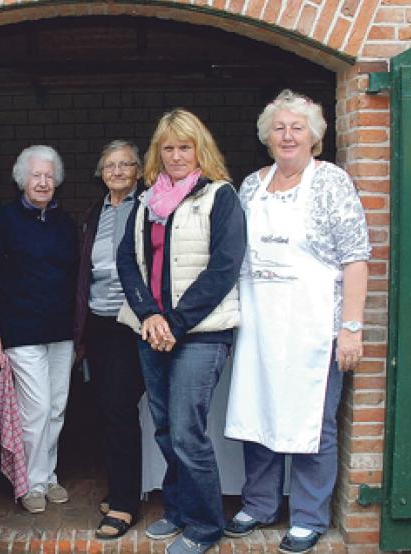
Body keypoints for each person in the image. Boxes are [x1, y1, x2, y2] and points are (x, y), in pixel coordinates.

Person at [224, 89, 371, 554]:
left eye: (297, 127)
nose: (287, 136)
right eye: (279, 128)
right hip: (261, 325)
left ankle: (308, 515)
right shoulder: (252, 186)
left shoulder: (331, 183)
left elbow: (355, 259)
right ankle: (260, 503)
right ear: (267, 138)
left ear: (315, 138)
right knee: (259, 410)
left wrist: (350, 327)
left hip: (314, 327)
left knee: (313, 421)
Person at [116, 109, 246, 554]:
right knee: (166, 428)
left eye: (184, 147)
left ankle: (206, 527)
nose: (175, 155)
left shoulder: (219, 197)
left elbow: (224, 268)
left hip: (201, 333)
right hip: (152, 331)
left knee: (188, 432)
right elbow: (128, 262)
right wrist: (149, 315)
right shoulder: (147, 200)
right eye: (167, 147)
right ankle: (177, 509)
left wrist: (174, 321)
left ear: (200, 149)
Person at [0, 145, 78, 514]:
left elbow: (75, 280)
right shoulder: (3, 220)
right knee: (34, 409)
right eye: (36, 175)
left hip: (61, 331)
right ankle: (31, 482)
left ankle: (48, 474)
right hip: (20, 332)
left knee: (56, 409)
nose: (42, 182)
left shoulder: (65, 223)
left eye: (49, 176)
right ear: (22, 179)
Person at [73, 140, 146, 539]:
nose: (117, 172)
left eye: (125, 165)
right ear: (100, 172)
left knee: (120, 409)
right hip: (100, 321)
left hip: (133, 321)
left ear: (138, 170)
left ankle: (124, 503)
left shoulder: (149, 206)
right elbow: (87, 272)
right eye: (110, 166)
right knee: (106, 407)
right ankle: (123, 488)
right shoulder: (93, 212)